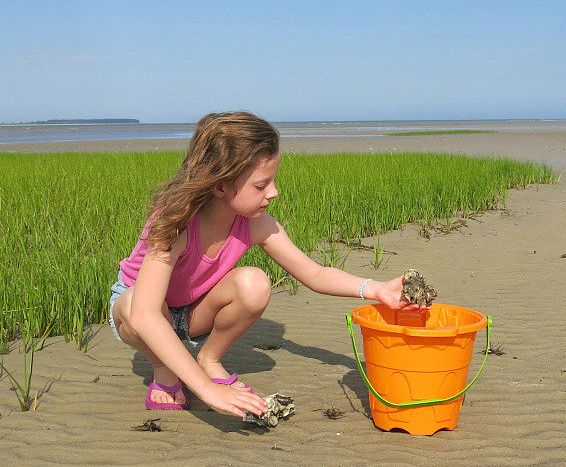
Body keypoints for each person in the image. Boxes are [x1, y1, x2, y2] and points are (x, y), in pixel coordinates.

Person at [109, 111, 423, 418]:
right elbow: (146, 314)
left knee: (254, 283)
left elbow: (314, 273)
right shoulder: (175, 222)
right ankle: (164, 368)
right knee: (136, 300)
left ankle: (209, 358)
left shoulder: (255, 224)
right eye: (261, 185)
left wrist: (376, 289)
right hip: (142, 311)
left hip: (194, 310)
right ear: (220, 185)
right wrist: (206, 389)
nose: (274, 192)